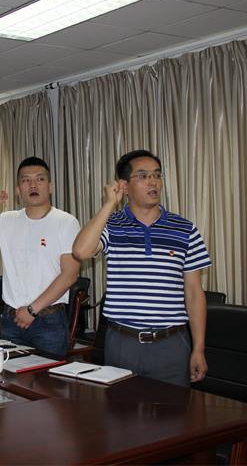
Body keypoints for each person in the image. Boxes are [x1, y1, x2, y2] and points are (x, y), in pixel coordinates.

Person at [72, 150, 210, 386]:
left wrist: (199, 348)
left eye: (157, 175)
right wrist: (109, 204)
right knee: (120, 408)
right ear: (124, 186)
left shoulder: (185, 229)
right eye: (143, 176)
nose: (153, 182)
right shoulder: (112, 226)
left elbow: (194, 292)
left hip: (172, 344)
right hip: (122, 342)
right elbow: (80, 251)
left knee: (174, 409)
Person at [0, 157, 80, 356]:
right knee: (10, 374)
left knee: (48, 376)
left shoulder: (66, 222)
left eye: (40, 179)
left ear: (50, 187)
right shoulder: (6, 220)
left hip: (48, 321)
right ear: (18, 190)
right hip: (12, 319)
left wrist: (32, 310)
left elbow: (70, 275)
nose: (33, 185)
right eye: (26, 180)